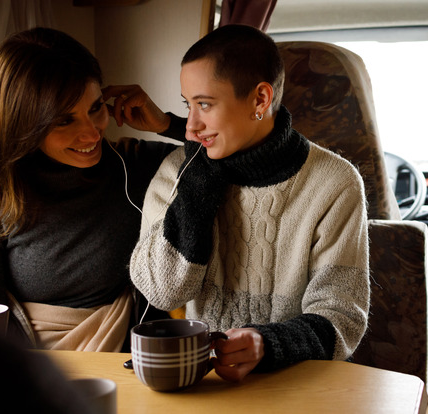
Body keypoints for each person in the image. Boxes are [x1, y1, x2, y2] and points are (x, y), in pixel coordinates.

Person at [129, 24, 370, 382]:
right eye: (188, 105)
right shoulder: (177, 173)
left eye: (205, 105)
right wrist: (200, 172)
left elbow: (341, 318)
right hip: (205, 384)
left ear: (260, 99)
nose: (190, 128)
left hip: (301, 380)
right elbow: (161, 291)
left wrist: (267, 344)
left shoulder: (335, 182)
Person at [0, 27, 183, 351]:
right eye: (64, 121)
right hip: (29, 378)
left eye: (95, 108)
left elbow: (233, 161)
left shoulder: (131, 165)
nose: (91, 134)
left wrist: (166, 124)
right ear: (22, 125)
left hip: (130, 369)